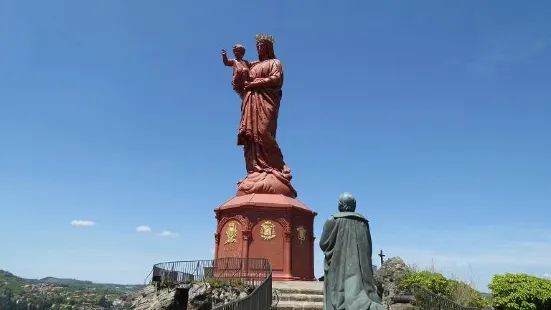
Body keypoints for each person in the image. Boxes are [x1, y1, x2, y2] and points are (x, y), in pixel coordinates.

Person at [232, 34, 297, 198]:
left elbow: (277, 80)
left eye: (262, 45)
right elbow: (241, 86)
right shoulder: (252, 65)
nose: (259, 48)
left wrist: (254, 83)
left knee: (263, 132)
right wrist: (239, 81)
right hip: (250, 102)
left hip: (266, 101)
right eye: (257, 45)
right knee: (251, 136)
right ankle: (255, 170)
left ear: (268, 47)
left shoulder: (275, 63)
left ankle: (279, 167)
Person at [319, 193, 385, 310]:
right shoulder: (363, 222)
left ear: (340, 205)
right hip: (361, 268)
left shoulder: (332, 220)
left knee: (340, 292)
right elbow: (368, 247)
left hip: (337, 264)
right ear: (354, 205)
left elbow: (323, 244)